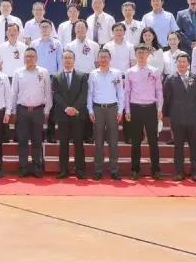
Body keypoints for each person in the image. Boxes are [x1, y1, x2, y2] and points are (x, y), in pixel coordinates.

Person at [123, 44, 164, 179]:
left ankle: (156, 170)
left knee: (153, 141)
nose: (141, 55)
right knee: (135, 142)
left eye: (144, 52)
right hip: (135, 108)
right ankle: (135, 170)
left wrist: (159, 108)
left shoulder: (154, 71)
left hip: (150, 108)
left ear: (148, 54)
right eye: (139, 52)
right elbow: (127, 92)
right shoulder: (129, 72)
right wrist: (127, 110)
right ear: (135, 55)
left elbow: (159, 90)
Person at [163, 52, 196, 181]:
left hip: (193, 117)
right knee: (178, 146)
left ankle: (195, 171)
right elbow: (167, 98)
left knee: (194, 145)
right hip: (177, 117)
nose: (181, 64)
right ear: (176, 63)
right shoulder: (170, 79)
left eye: (184, 61)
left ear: (188, 64)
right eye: (179, 62)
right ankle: (179, 171)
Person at [12, 48, 51, 178]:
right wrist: (13, 110)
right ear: (24, 58)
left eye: (32, 56)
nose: (29, 58)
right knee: (22, 140)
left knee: (37, 140)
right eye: (27, 56)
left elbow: (48, 93)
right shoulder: (18, 72)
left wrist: (47, 110)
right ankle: (23, 167)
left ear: (37, 58)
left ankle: (36, 167)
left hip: (38, 110)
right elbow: (14, 93)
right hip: (22, 110)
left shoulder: (43, 72)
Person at [87, 48, 124, 180]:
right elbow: (90, 93)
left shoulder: (117, 73)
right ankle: (98, 170)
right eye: (101, 57)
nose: (103, 59)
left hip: (113, 108)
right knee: (98, 141)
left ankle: (114, 169)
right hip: (98, 109)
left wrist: (120, 110)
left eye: (105, 57)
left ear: (110, 58)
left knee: (113, 141)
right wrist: (90, 110)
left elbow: (120, 93)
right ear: (97, 59)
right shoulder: (93, 74)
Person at [52, 50, 88, 179]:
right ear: (62, 60)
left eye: (70, 57)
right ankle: (63, 170)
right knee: (63, 143)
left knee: (78, 143)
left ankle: (80, 170)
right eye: (65, 58)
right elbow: (56, 94)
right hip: (63, 114)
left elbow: (83, 94)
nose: (67, 60)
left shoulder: (82, 76)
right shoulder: (56, 76)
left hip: (78, 114)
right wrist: (66, 108)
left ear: (74, 60)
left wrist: (74, 108)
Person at [32, 19, 63, 143]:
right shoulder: (34, 44)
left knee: (52, 106)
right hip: (37, 77)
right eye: (42, 27)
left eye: (47, 27)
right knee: (38, 104)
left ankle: (51, 134)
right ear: (39, 29)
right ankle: (38, 133)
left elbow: (60, 62)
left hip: (52, 77)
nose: (44, 29)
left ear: (51, 29)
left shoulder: (57, 44)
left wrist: (59, 78)